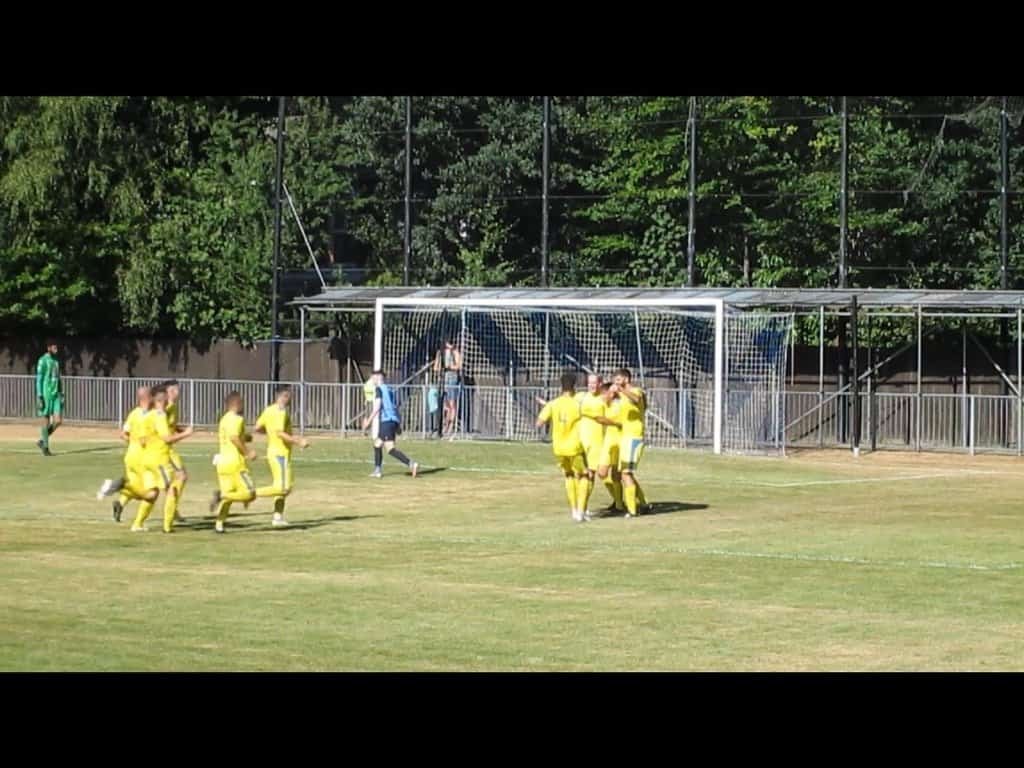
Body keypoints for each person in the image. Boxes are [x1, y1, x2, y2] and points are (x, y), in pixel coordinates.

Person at [134, 386, 193, 533]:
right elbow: (167, 438)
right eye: (167, 401)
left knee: (153, 493)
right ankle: (167, 526)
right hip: (159, 460)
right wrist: (186, 433)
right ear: (163, 401)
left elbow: (141, 440)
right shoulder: (160, 415)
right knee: (174, 487)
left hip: (146, 460)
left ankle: (137, 524)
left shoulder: (146, 416)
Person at [97, 386, 157, 524]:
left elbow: (123, 434)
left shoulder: (134, 413)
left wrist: (132, 441)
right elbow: (145, 439)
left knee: (135, 483)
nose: (153, 398)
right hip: (143, 458)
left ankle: (120, 503)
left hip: (130, 456)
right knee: (150, 492)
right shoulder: (149, 416)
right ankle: (118, 485)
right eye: (151, 396)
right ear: (147, 398)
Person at [253, 385, 310, 527]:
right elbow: (280, 433)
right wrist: (298, 441)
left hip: (274, 451)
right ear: (283, 396)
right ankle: (249, 493)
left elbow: (257, 428)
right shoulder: (280, 411)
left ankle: (277, 517)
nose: (290, 399)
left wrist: (270, 433)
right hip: (280, 454)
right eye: (289, 396)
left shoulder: (269, 409)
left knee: (281, 487)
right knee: (285, 487)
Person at [535, 372, 588, 523]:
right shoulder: (578, 404)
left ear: (561, 386)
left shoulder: (554, 403)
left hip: (558, 447)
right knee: (584, 475)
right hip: (575, 447)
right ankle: (581, 510)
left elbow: (539, 422)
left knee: (569, 475)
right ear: (575, 386)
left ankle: (573, 510)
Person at [210, 391, 257, 534]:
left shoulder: (224, 419)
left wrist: (246, 437)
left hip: (222, 463)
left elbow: (233, 436)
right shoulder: (237, 419)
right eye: (242, 403)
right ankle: (221, 495)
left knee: (230, 496)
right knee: (250, 493)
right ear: (236, 403)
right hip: (235, 463)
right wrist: (248, 452)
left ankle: (219, 524)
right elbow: (234, 438)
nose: (243, 406)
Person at [362, 369, 419, 478]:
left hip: (386, 421)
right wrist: (398, 423)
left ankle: (378, 471)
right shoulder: (389, 390)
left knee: (377, 444)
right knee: (390, 449)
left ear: (378, 377)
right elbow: (395, 407)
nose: (372, 380)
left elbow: (377, 407)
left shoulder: (379, 389)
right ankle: (411, 464)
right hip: (393, 421)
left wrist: (368, 422)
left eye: (373, 377)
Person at [612, 368, 649, 517]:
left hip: (634, 437)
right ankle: (644, 504)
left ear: (626, 379)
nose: (616, 384)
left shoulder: (636, 390)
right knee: (625, 474)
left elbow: (637, 399)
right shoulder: (620, 397)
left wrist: (621, 389)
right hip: (625, 437)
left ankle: (632, 511)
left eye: (618, 380)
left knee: (626, 473)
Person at [586, 382, 627, 516]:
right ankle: (618, 500)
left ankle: (620, 505)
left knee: (617, 475)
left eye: (608, 393)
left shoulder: (619, 405)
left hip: (619, 441)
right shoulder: (603, 404)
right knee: (602, 472)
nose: (606, 396)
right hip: (608, 442)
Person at [575, 373, 605, 520]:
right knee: (582, 474)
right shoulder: (581, 397)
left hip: (596, 442)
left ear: (600, 383)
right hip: (581, 441)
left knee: (591, 475)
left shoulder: (604, 399)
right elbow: (566, 404)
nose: (592, 385)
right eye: (589, 383)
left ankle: (583, 508)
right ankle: (579, 510)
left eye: (594, 383)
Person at [163, 380, 191, 524]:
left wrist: (179, 429)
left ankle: (173, 510)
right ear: (169, 392)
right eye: (175, 390)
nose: (178, 393)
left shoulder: (173, 406)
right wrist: (185, 433)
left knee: (170, 482)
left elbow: (169, 425)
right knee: (180, 477)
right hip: (163, 449)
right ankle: (172, 511)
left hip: (168, 448)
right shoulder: (165, 406)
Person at [35, 341, 64, 456]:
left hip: (56, 393)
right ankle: (46, 448)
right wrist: (39, 395)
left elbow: (58, 378)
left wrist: (61, 392)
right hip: (46, 393)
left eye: (57, 346)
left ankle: (42, 440)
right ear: (48, 348)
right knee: (46, 421)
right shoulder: (43, 360)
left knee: (58, 421)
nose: (56, 348)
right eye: (54, 346)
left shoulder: (56, 361)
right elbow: (39, 379)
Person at [433, 339, 462, 438]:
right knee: (444, 404)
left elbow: (458, 366)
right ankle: (443, 424)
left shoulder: (455, 352)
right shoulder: (440, 352)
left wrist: (450, 366)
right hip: (443, 379)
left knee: (451, 404)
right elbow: (436, 367)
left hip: (452, 378)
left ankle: (450, 426)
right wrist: (440, 367)